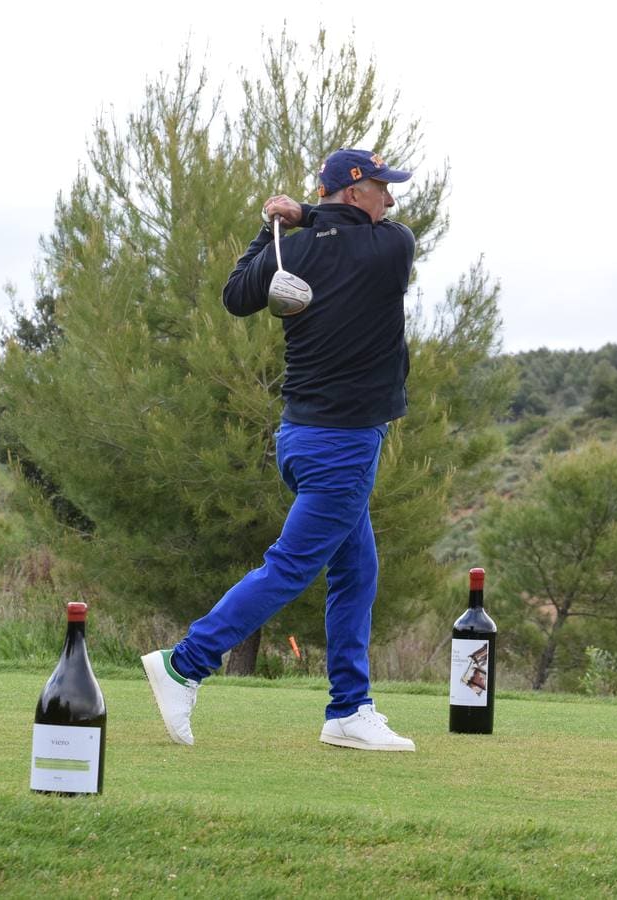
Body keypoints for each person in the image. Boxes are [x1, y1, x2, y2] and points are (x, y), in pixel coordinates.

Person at [141, 148, 418, 752]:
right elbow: (381, 233)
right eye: (380, 188)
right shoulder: (390, 247)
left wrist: (274, 228)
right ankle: (185, 663)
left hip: (302, 436)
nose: (390, 200)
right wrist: (305, 219)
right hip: (342, 444)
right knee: (291, 567)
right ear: (352, 191)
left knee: (356, 569)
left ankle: (349, 709)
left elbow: (238, 295)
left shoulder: (295, 247)